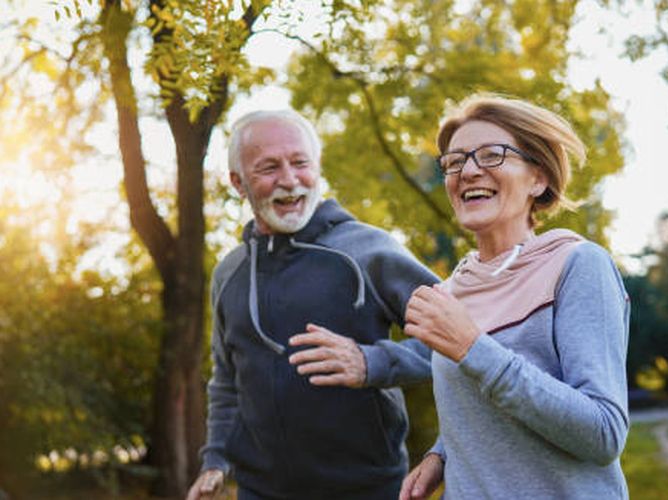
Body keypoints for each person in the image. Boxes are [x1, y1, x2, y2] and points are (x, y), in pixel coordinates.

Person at [186, 109, 438, 500]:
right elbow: (227, 381)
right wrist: (216, 459)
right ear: (238, 182)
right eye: (268, 167)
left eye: (300, 163)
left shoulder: (367, 251)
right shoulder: (229, 274)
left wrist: (372, 362)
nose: (289, 180)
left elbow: (461, 341)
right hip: (259, 492)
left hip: (368, 489)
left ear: (317, 168)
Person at [399, 95, 630, 499]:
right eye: (455, 162)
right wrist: (443, 452)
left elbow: (603, 432)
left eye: (491, 155)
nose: (468, 171)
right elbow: (485, 402)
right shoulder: (454, 289)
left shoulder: (577, 265)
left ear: (538, 179)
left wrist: (473, 347)